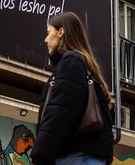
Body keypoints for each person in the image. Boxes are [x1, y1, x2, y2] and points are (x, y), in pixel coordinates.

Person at [30, 12, 114, 165]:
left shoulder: (71, 62)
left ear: (61, 32)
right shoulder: (87, 67)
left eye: (49, 33)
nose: (46, 39)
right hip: (86, 156)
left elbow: (61, 111)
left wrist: (40, 153)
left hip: (75, 156)